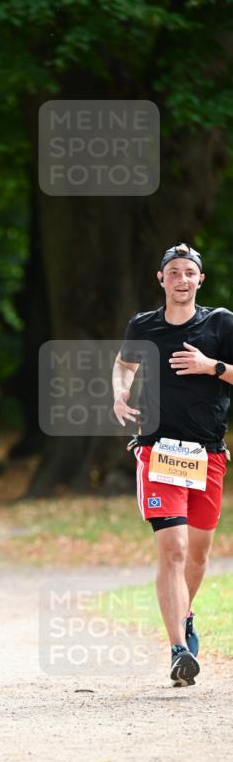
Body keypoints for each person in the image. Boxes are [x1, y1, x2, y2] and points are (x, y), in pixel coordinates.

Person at [113, 243, 233, 687]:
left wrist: (211, 366)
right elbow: (123, 365)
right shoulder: (143, 325)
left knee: (197, 556)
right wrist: (119, 392)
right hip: (158, 450)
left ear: (200, 280)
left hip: (208, 453)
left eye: (189, 272)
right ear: (160, 279)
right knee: (174, 549)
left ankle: (186, 614)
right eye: (174, 272)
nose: (181, 279)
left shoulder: (221, 323)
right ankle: (178, 650)